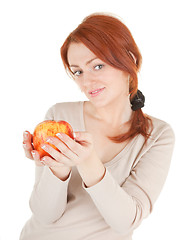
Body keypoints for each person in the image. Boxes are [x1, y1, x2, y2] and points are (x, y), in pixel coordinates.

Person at [20, 13, 175, 240]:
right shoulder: (59, 115)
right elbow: (44, 215)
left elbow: (124, 222)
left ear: (129, 59)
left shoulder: (157, 135)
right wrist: (57, 167)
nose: (86, 82)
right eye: (78, 71)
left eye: (98, 66)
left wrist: (87, 161)